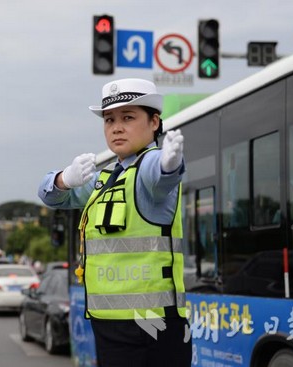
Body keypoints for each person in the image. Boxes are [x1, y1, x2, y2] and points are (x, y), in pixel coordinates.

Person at [38, 78, 191, 366]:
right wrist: (63, 179)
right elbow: (49, 196)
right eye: (109, 120)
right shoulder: (105, 178)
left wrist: (169, 166)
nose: (116, 127)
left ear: (154, 122)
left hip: (152, 325)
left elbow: (159, 178)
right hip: (107, 323)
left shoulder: (149, 164)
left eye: (128, 117)